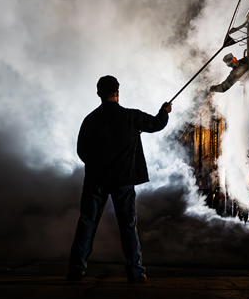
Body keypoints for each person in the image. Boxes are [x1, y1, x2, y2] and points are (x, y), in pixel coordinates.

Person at [67, 75, 171, 283]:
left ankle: (76, 270)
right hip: (124, 179)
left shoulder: (90, 120)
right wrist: (164, 111)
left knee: (87, 222)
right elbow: (156, 124)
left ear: (98, 93)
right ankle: (135, 271)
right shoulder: (131, 117)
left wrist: (97, 166)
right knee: (127, 224)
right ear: (118, 91)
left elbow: (81, 151)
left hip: (96, 180)